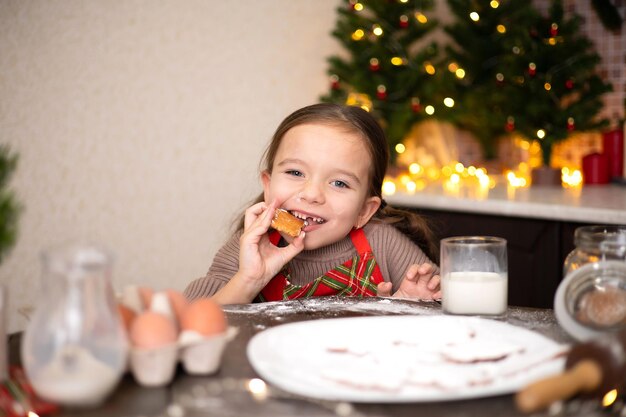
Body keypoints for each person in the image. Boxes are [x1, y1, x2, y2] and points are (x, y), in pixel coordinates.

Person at [184, 103, 441, 303]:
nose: (311, 194)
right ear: (268, 185)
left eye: (339, 183)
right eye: (295, 173)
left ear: (364, 211)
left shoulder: (383, 243)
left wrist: (409, 309)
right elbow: (192, 327)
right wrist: (249, 279)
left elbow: (454, 310)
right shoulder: (250, 246)